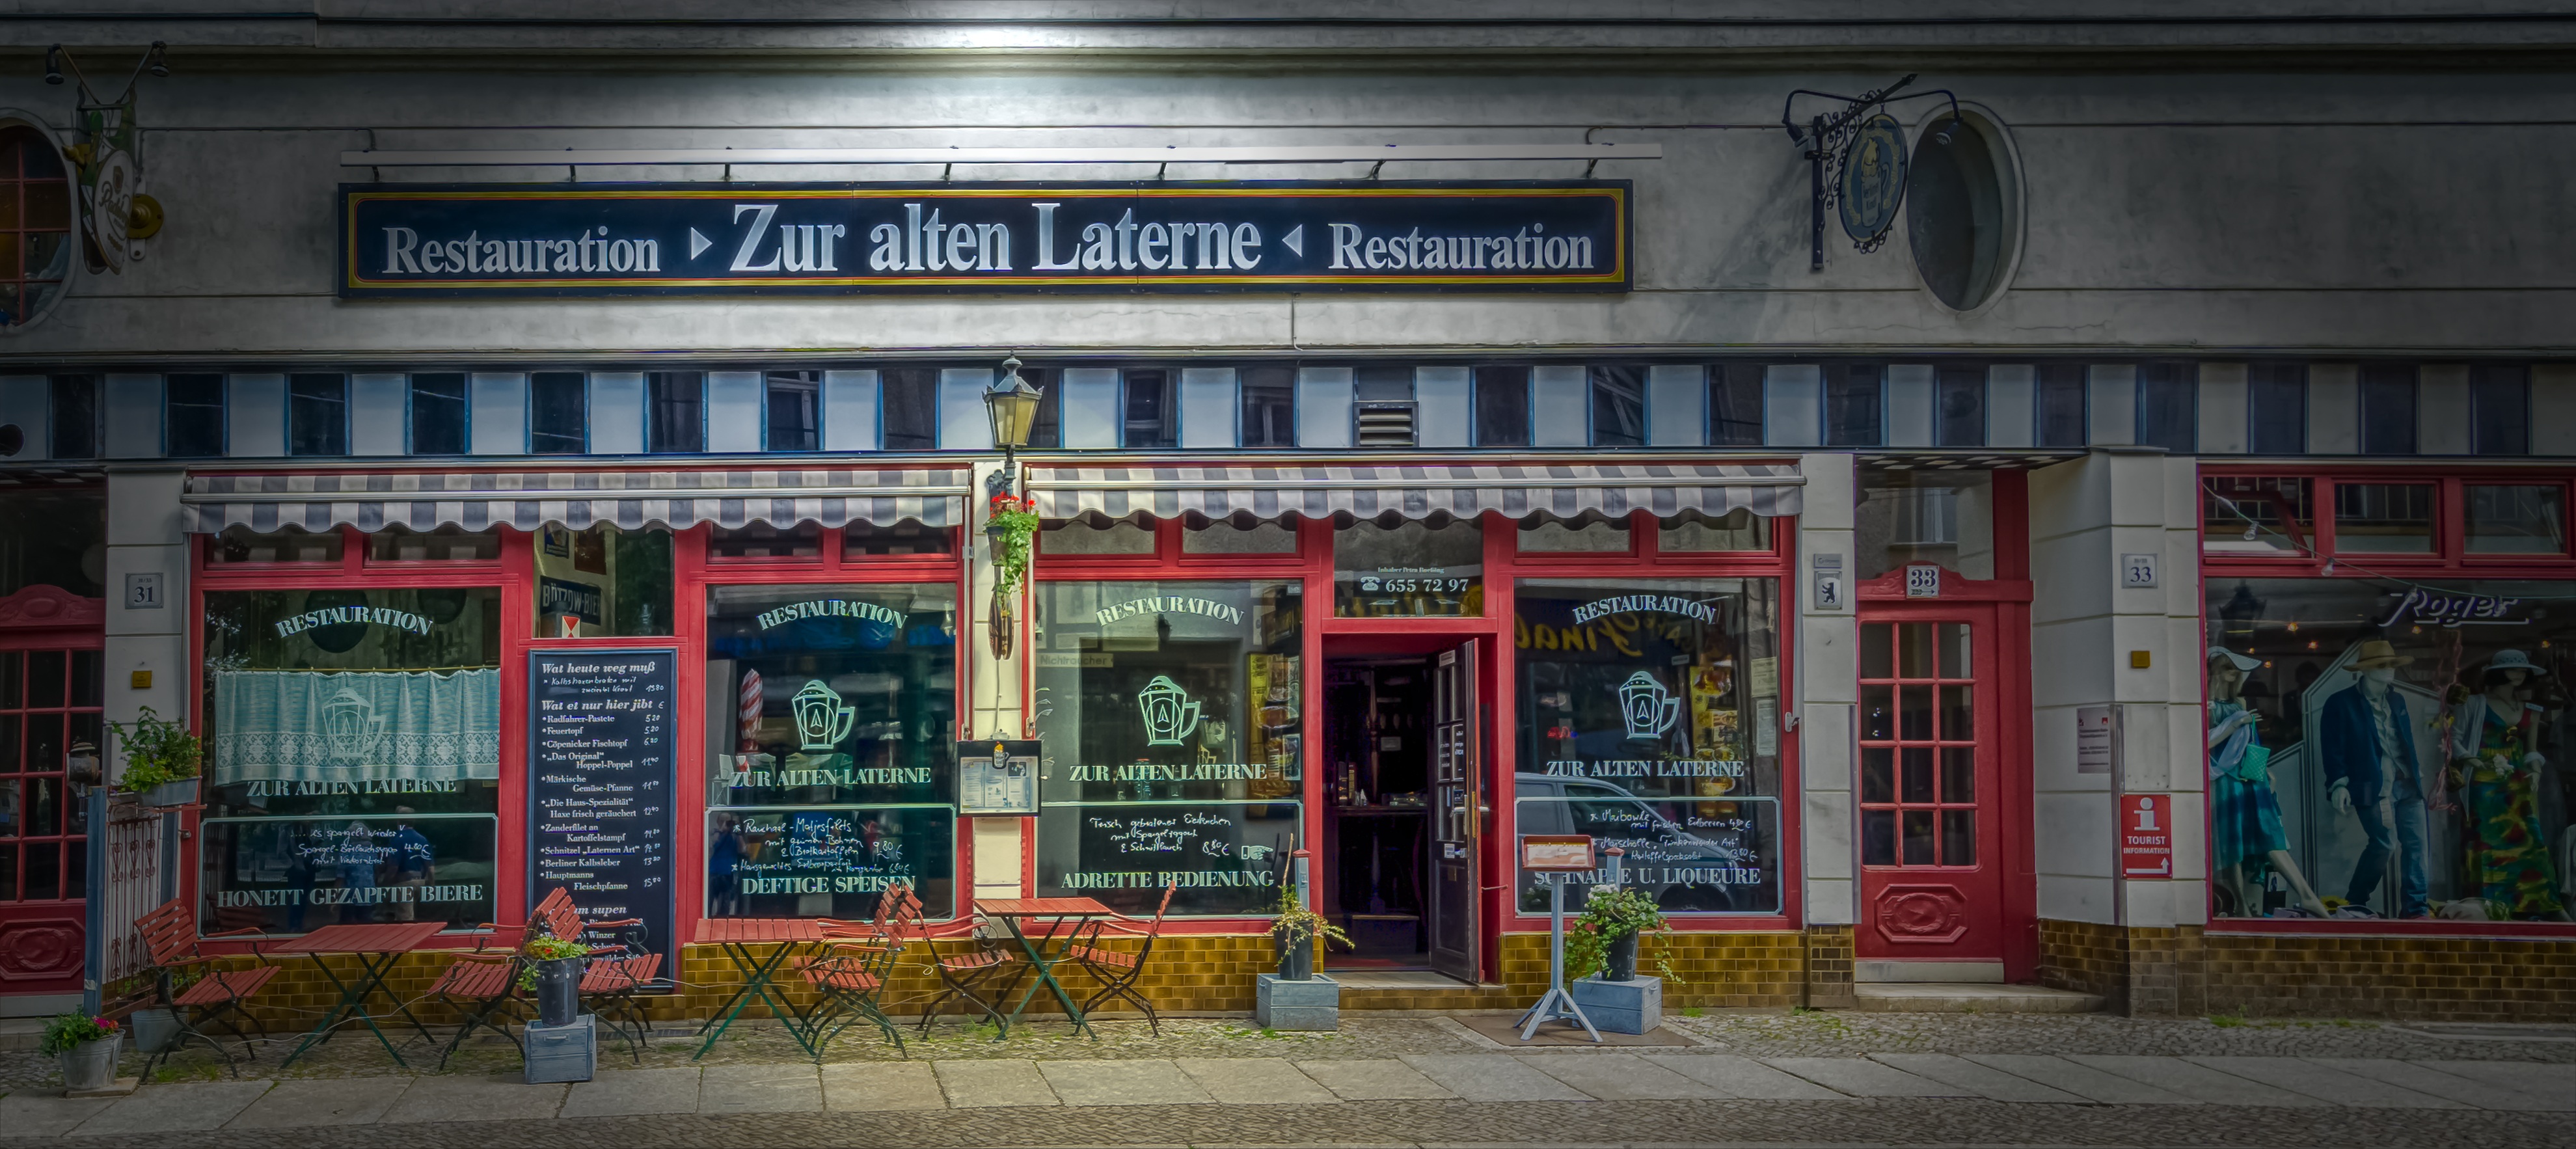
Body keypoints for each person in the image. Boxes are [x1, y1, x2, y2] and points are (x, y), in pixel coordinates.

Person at [2208, 646, 2330, 918]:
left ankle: (2307, 895)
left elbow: (2250, 744)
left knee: (2271, 835)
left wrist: (2265, 770)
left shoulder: (2237, 703)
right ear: (2216, 671)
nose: (2234, 674)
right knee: (2233, 843)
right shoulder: (2207, 707)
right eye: (2229, 669)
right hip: (2224, 781)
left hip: (2251, 779)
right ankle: (2241, 906)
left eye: (2235, 670)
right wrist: (2233, 726)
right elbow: (2203, 743)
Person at [2446, 651, 2569, 921]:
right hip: (2483, 785)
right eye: (2513, 669)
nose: (2519, 674)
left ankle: (2545, 904)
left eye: (2523, 670)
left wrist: (2536, 772)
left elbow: (2531, 750)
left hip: (2517, 786)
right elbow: (2454, 740)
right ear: (2498, 672)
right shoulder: (2474, 704)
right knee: (2486, 845)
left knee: (2531, 844)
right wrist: (2473, 761)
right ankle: (2490, 907)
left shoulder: (2531, 709)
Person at [2320, 640, 2429, 918]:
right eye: (2382, 665)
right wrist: (2339, 784)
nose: (2389, 670)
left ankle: (2416, 910)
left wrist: (2418, 772)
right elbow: (2332, 747)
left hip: (2408, 783)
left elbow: (2405, 741)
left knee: (2417, 845)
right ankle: (2355, 902)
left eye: (2391, 664)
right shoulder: (2342, 703)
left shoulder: (2397, 700)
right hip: (2375, 787)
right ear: (2365, 670)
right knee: (2384, 844)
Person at [388, 808, 435, 922]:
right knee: (413, 915)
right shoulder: (422, 840)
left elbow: (393, 867)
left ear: (399, 821)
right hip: (420, 882)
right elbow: (430, 867)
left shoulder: (397, 840)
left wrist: (385, 883)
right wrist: (432, 885)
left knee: (405, 919)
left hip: (404, 884)